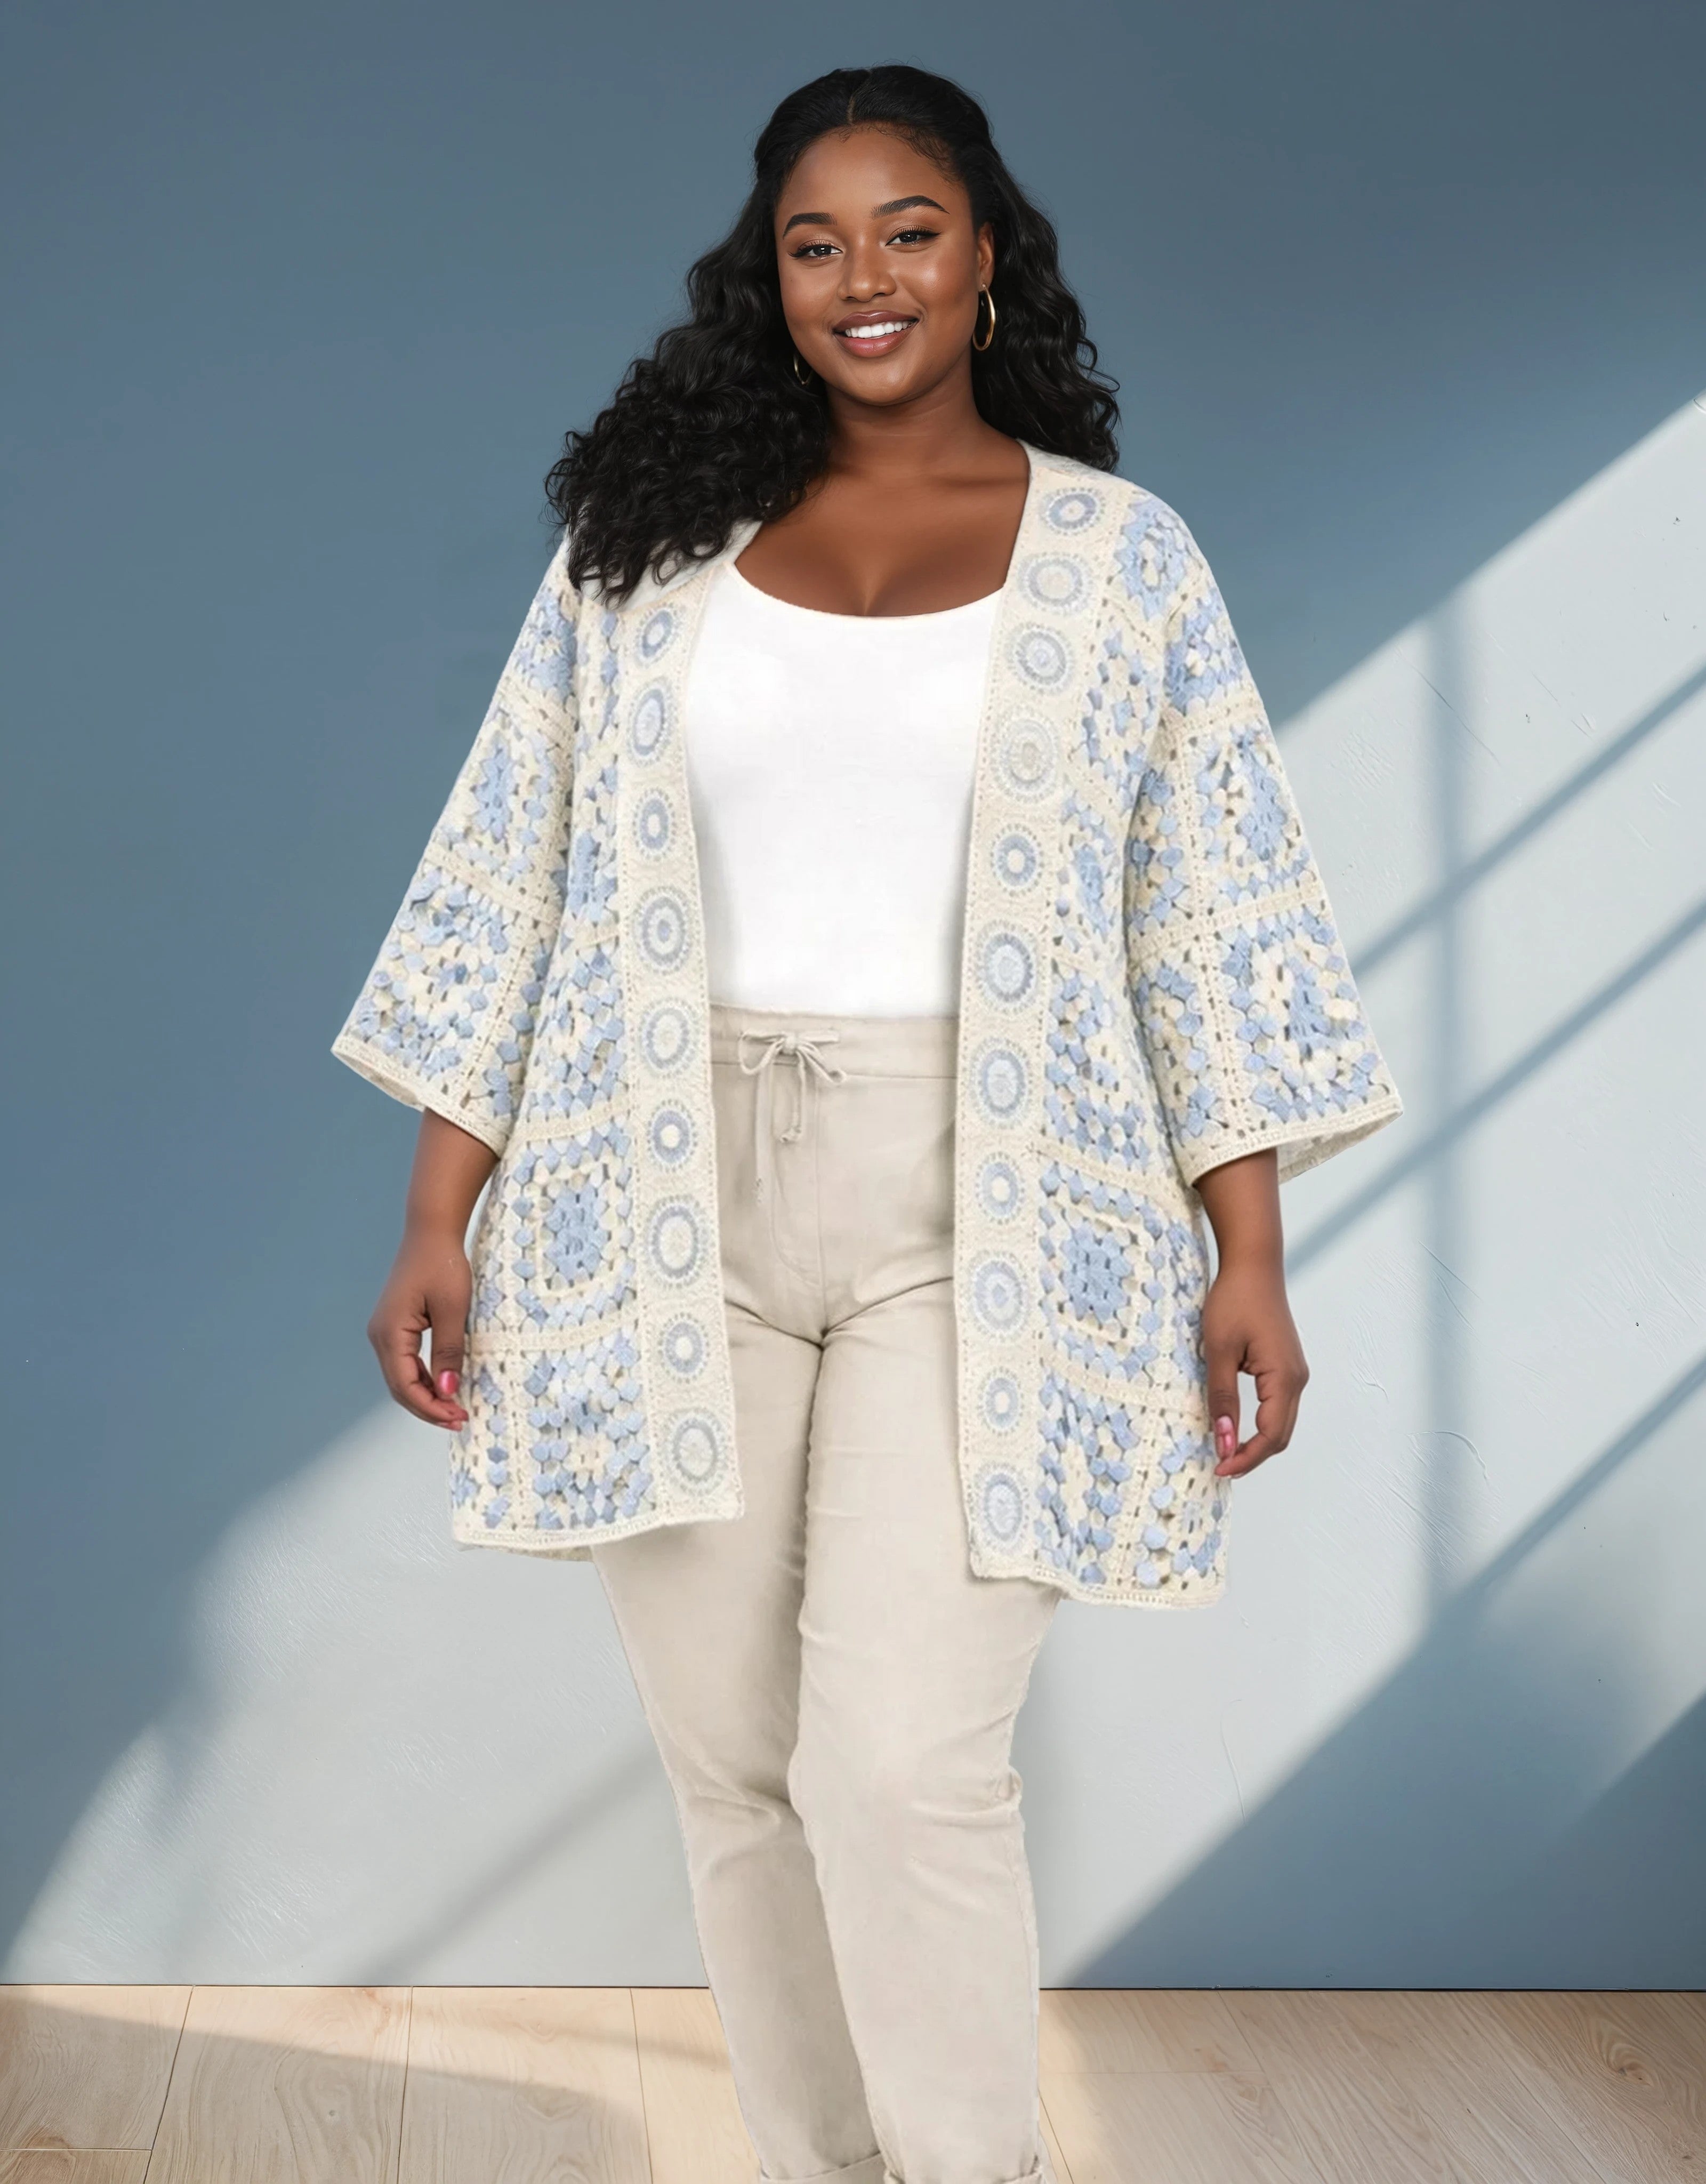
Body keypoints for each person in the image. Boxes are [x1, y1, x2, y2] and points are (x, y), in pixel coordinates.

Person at [334, 63, 1401, 2184]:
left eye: (907, 229)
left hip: (990, 1203)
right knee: (734, 1766)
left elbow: (1205, 912)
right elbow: (512, 871)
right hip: (659, 1182)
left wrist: (1249, 1252)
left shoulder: (1120, 564)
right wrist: (439, 1213)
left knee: (902, 1762)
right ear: (769, 279)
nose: (864, 278)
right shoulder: (647, 552)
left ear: (987, 251)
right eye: (814, 244)